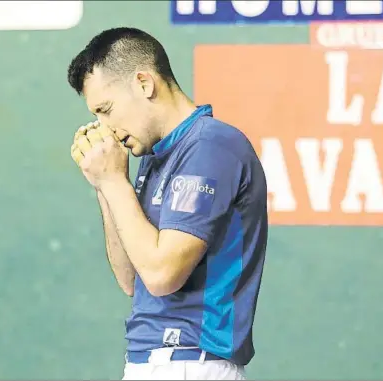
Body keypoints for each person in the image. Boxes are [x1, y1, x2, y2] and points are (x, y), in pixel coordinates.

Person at [67, 27, 268, 380]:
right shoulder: (156, 157)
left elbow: (162, 275)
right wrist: (105, 183)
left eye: (107, 109)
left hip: (192, 361)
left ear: (144, 83)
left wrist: (114, 181)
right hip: (151, 360)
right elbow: (132, 277)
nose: (105, 128)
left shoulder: (210, 145)